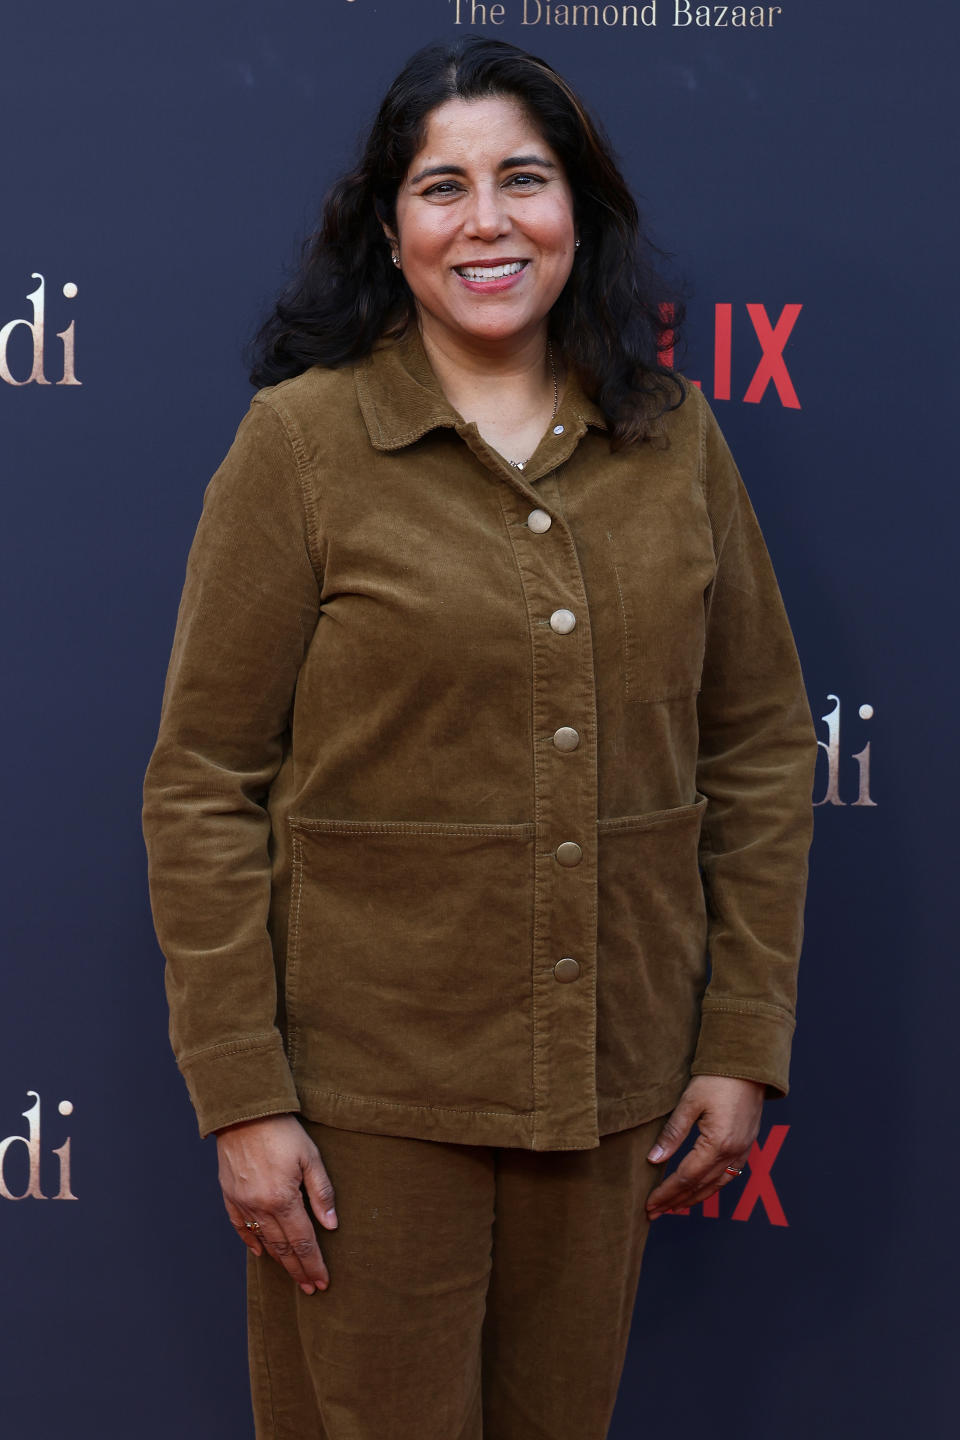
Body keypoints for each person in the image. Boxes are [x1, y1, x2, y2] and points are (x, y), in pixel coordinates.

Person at [142, 34, 816, 1440]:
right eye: (442, 187)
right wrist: (243, 1098)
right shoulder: (303, 446)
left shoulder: (675, 440)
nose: (488, 219)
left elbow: (756, 746)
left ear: (582, 211)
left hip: (610, 1088)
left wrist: (740, 1036)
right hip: (363, 1113)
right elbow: (204, 782)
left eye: (525, 177)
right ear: (390, 230)